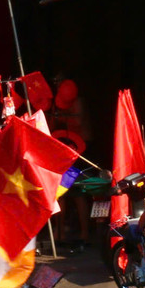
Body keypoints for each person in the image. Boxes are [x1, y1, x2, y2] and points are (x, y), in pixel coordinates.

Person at [50, 79, 93, 250]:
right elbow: (52, 127)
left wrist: (66, 116)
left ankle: (85, 233)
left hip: (80, 150)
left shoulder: (79, 102)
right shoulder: (57, 103)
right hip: (62, 148)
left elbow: (79, 124)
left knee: (79, 193)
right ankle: (59, 232)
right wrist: (56, 115)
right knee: (60, 192)